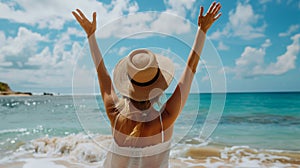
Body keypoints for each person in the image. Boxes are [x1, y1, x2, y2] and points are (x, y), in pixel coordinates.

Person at [72, 2, 221, 168]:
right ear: (157, 90)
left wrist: (91, 35)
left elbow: (103, 76)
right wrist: (202, 31)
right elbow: (190, 69)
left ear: (127, 86)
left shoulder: (115, 115)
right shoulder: (165, 120)